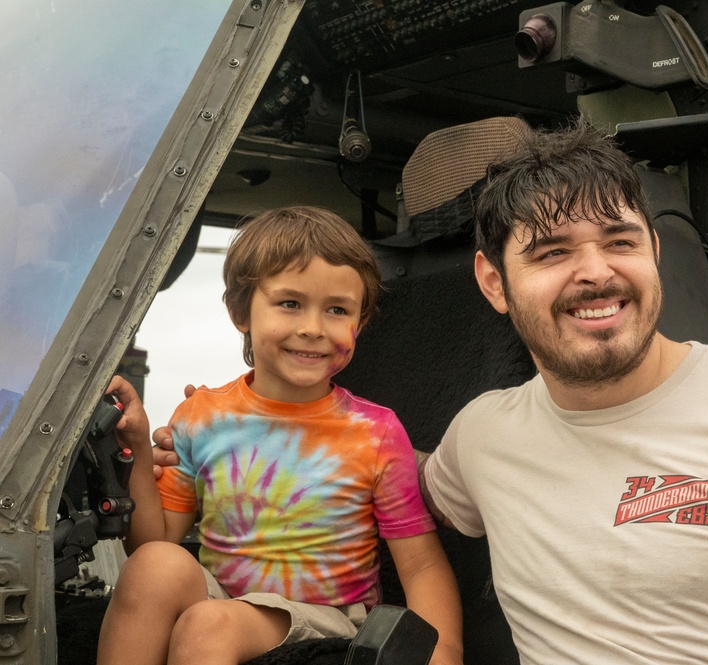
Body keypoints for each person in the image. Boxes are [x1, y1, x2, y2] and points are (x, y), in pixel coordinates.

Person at [153, 125, 708, 665]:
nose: (595, 271)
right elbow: (388, 479)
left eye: (618, 241)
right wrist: (224, 434)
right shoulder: (482, 437)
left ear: (650, 250)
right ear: (492, 282)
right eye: (550, 251)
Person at [98, 206, 462, 665]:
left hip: (330, 617)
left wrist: (445, 655)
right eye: (290, 303)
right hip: (226, 599)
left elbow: (422, 564)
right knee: (151, 566)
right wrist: (136, 447)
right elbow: (155, 540)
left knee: (208, 624)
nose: (312, 328)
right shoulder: (201, 417)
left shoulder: (375, 432)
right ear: (240, 312)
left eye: (337, 310)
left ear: (360, 323)